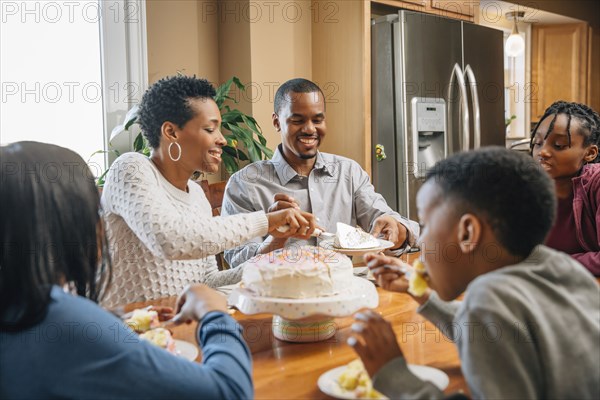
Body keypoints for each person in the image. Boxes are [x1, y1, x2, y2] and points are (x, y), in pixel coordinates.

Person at [0, 141, 255, 398]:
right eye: (95, 209)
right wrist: (215, 315)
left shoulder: (20, 306)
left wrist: (108, 320)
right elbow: (229, 392)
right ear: (69, 224)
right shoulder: (59, 319)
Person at [348, 148, 600, 399]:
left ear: (468, 232)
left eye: (425, 224)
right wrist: (422, 293)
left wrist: (395, 376)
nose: (421, 240)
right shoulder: (562, 268)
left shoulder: (488, 297)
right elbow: (500, 334)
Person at [101, 75, 318, 307]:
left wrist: (275, 241)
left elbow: (208, 282)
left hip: (181, 332)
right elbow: (169, 240)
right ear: (171, 132)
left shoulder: (196, 196)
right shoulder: (131, 168)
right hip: (128, 332)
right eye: (210, 129)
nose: (222, 140)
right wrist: (267, 221)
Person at [221, 78, 419, 267]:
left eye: (317, 120)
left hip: (343, 293)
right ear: (276, 122)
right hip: (277, 297)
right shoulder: (244, 184)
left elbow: (390, 222)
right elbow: (237, 264)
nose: (309, 129)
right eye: (297, 120)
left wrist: (396, 229)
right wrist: (276, 238)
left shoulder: (348, 172)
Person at [530, 100, 600, 275]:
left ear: (590, 153)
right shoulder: (526, 188)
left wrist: (553, 263)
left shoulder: (596, 183)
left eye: (559, 145)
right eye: (538, 143)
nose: (542, 152)